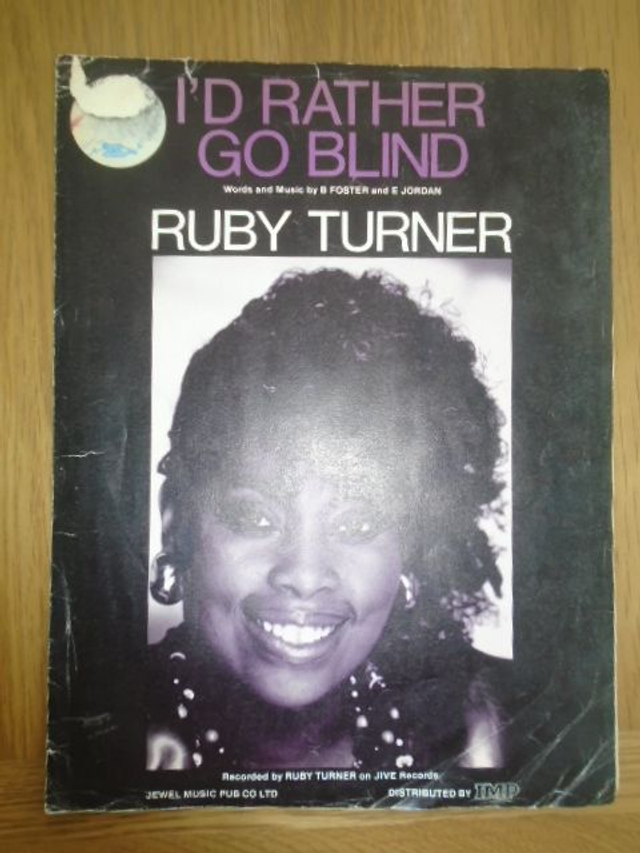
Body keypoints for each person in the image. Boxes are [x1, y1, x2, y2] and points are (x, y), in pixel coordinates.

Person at [146, 267, 508, 772]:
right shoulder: (94, 726)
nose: (304, 574)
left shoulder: (507, 727)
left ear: (410, 549)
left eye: (357, 526)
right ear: (174, 521)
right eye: (255, 517)